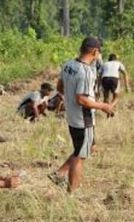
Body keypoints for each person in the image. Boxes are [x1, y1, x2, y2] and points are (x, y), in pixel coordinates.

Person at [49, 37, 114, 193]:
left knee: (85, 148)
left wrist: (69, 99)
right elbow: (81, 99)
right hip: (83, 119)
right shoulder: (85, 72)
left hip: (71, 117)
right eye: (99, 53)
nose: (99, 56)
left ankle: (60, 173)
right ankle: (71, 195)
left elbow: (60, 86)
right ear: (94, 51)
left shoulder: (68, 65)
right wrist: (103, 106)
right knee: (80, 156)